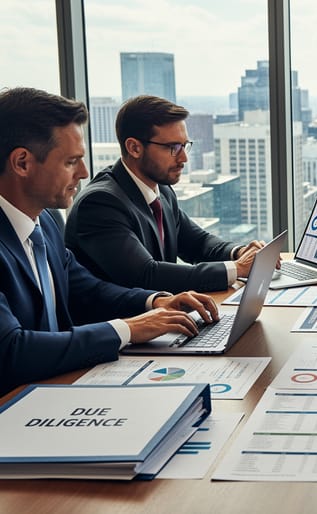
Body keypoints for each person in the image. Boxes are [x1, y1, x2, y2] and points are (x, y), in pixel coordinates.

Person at [0, 87, 218, 394]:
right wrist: (126, 329)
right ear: (22, 163)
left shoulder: (45, 221)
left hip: (59, 386)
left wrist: (155, 301)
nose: (84, 172)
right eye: (71, 162)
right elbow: (11, 350)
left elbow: (87, 288)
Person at [65, 95, 266, 293]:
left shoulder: (161, 189)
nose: (184, 158)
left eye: (185, 145)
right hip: (122, 321)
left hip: (162, 316)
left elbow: (198, 243)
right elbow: (146, 275)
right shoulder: (100, 204)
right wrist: (237, 269)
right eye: (173, 148)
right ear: (134, 148)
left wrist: (239, 252)